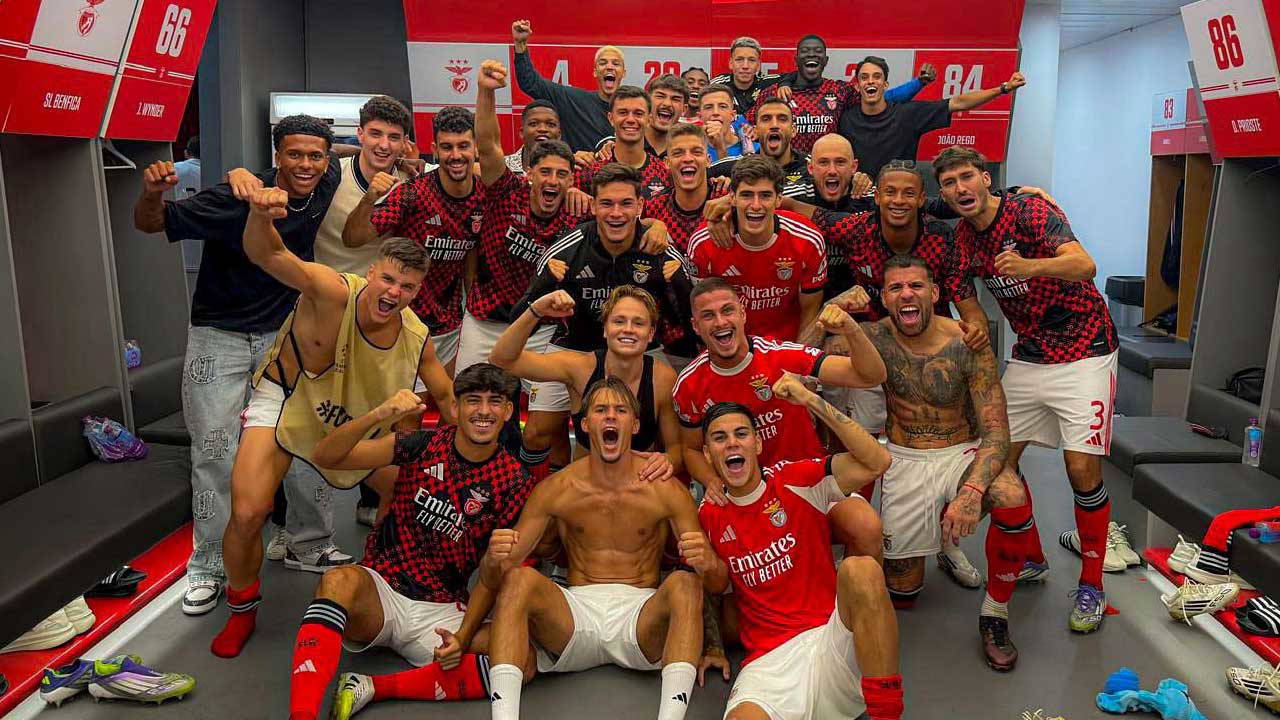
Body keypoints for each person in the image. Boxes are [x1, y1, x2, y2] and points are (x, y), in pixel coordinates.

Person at [132, 115, 346, 618]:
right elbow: (151, 223)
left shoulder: (324, 181)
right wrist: (151, 193)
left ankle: (307, 543)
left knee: (305, 440)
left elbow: (346, 156)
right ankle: (209, 566)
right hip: (219, 338)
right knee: (215, 454)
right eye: (294, 154)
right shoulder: (234, 198)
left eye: (315, 156)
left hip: (284, 335)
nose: (306, 165)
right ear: (277, 156)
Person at [214, 224, 456, 659]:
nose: (394, 292)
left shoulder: (416, 338)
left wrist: (483, 450)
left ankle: (382, 580)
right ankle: (241, 610)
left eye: (407, 287)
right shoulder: (332, 290)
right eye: (388, 279)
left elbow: (450, 401)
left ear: (417, 291)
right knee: (248, 512)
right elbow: (267, 254)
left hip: (345, 417)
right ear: (371, 272)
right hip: (290, 395)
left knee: (409, 488)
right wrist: (258, 214)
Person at [937, 145, 1118, 634]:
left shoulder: (1029, 210)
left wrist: (1029, 266)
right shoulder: (961, 239)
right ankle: (1033, 556)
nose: (960, 188)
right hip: (1031, 355)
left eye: (967, 177)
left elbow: (1084, 265)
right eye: (950, 182)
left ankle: (1092, 584)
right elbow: (966, 300)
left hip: (1086, 350)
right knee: (999, 463)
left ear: (985, 178)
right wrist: (974, 327)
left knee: (1080, 468)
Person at [284, 366, 531, 720]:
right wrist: (380, 414)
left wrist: (463, 636)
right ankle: (302, 716)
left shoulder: (514, 481)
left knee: (522, 658)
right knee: (338, 580)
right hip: (381, 593)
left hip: (440, 609)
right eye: (473, 400)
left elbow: (493, 576)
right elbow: (326, 456)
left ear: (508, 411)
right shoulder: (422, 444)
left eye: (495, 401)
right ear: (456, 407)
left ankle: (372, 687)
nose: (483, 411)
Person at [479, 377, 721, 720]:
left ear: (634, 425)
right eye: (601, 410)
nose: (610, 416)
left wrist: (708, 563)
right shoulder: (557, 488)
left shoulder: (665, 490)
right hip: (575, 616)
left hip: (640, 618)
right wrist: (492, 559)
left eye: (620, 410)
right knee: (518, 579)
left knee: (685, 583)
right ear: (584, 423)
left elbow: (713, 583)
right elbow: (495, 577)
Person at [865, 255, 1034, 671]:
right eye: (896, 288)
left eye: (916, 286)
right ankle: (941, 540)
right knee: (903, 594)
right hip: (905, 456)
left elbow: (997, 433)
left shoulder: (967, 342)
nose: (906, 294)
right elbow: (803, 352)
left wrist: (972, 492)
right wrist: (838, 306)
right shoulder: (872, 337)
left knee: (1011, 494)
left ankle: (995, 613)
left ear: (935, 293)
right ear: (884, 298)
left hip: (961, 451)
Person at [696, 387, 904, 720]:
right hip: (769, 662)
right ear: (708, 454)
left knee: (861, 570)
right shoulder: (708, 514)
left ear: (757, 443)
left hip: (831, 641)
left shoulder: (796, 479)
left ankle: (887, 712)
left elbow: (878, 461)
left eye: (741, 434)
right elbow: (710, 586)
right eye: (720, 438)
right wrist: (713, 645)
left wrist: (810, 400)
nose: (732, 443)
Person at [673, 278, 887, 563]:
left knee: (866, 527)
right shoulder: (688, 384)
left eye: (727, 310)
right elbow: (690, 448)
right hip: (744, 492)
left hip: (809, 479)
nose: (720, 322)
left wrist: (851, 329)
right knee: (717, 555)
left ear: (743, 313)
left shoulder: (779, 355)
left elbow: (872, 375)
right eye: (708, 316)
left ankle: (848, 587)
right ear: (696, 326)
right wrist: (711, 479)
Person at [512, 163, 693, 480]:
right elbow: (521, 314)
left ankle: (655, 490)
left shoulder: (661, 250)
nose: (616, 213)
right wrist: (545, 290)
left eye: (626, 203)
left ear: (640, 206)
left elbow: (691, 319)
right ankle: (538, 490)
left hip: (640, 349)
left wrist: (677, 283)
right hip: (576, 348)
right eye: (607, 203)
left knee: (664, 436)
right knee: (537, 432)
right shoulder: (567, 251)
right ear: (593, 206)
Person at [454, 60, 583, 381]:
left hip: (542, 328)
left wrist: (655, 226)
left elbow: (624, 206)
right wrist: (485, 91)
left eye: (561, 174)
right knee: (471, 399)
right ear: (529, 174)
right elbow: (488, 145)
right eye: (545, 172)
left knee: (539, 413)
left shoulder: (579, 210)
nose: (552, 180)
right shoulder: (505, 191)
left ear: (572, 180)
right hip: (486, 322)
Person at [343, 105, 483, 375]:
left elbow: (471, 253)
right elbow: (352, 239)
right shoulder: (412, 194)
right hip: (403, 321)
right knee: (401, 401)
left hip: (451, 327)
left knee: (447, 397)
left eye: (463, 146)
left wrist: (471, 314)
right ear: (434, 149)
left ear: (475, 148)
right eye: (447, 147)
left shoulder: (484, 196)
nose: (456, 155)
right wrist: (369, 198)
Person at [494, 286, 683, 471]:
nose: (628, 329)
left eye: (638, 323)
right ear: (605, 329)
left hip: (638, 482)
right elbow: (502, 360)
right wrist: (536, 310)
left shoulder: (663, 379)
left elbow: (676, 450)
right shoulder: (580, 368)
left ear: (651, 333)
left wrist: (667, 461)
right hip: (584, 485)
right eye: (619, 321)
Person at [688, 156, 827, 343]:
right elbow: (705, 318)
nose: (755, 205)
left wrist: (796, 359)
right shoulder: (703, 244)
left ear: (779, 199)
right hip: (730, 348)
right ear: (732, 198)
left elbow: (810, 314)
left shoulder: (807, 240)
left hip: (787, 346)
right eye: (746, 195)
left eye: (765, 195)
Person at [838, 56, 1025, 179]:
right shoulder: (845, 120)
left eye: (877, 76)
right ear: (857, 85)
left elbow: (958, 102)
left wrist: (1003, 88)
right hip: (857, 201)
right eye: (864, 77)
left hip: (900, 201)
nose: (870, 81)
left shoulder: (908, 114)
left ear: (885, 84)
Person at [750, 35, 926, 153]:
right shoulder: (774, 92)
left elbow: (882, 98)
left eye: (818, 51)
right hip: (785, 171)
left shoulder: (840, 90)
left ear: (825, 60)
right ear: (796, 60)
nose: (812, 54)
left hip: (827, 172)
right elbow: (744, 124)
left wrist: (918, 83)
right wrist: (754, 144)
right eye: (805, 51)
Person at [315, 96, 417, 275]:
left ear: (405, 141)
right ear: (360, 134)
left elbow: (464, 170)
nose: (384, 145)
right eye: (375, 134)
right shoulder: (329, 174)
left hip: (378, 289)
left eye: (394, 137)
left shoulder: (412, 180)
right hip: (324, 286)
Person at [512, 19, 620, 151]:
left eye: (616, 63)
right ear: (595, 72)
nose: (609, 67)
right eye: (603, 63)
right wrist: (520, 44)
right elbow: (530, 83)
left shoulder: (633, 109)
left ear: (624, 72)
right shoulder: (573, 101)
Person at [574, 85, 672, 199]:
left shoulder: (665, 173)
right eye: (623, 112)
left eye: (638, 113)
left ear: (649, 119)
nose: (630, 119)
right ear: (611, 118)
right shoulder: (589, 171)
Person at [709, 97, 813, 201]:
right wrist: (720, 185)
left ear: (793, 130)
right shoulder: (736, 166)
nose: (774, 125)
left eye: (782, 119)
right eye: (766, 119)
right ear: (756, 131)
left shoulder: (812, 166)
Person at [709, 37, 779, 116]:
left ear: (758, 65)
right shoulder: (718, 84)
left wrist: (785, 84)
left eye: (751, 60)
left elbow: (789, 77)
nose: (745, 66)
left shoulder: (768, 82)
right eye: (739, 59)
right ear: (731, 63)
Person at [699, 84, 754, 162]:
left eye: (722, 106)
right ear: (700, 117)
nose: (715, 112)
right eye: (708, 107)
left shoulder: (755, 148)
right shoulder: (691, 149)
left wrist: (720, 147)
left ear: (733, 115)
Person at [505, 101, 562, 175]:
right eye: (533, 124)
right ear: (522, 132)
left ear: (559, 134)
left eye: (551, 124)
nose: (542, 129)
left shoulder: (570, 168)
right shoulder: (503, 167)